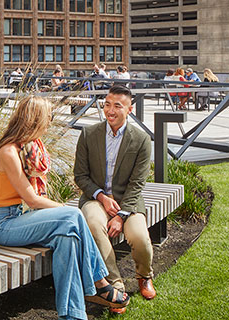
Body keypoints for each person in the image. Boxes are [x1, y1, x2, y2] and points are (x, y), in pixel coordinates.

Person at [0, 97, 129, 318]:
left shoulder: (27, 147)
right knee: (72, 215)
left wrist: (63, 213)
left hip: (19, 217)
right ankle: (101, 281)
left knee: (68, 239)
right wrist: (63, 209)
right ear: (35, 120)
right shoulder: (9, 152)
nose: (49, 123)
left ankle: (72, 315)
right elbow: (33, 200)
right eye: (47, 118)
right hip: (4, 224)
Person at [73, 85, 156, 301]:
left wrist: (121, 215)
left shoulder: (141, 140)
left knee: (140, 237)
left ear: (129, 109)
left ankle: (144, 276)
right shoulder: (89, 134)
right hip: (95, 198)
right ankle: (114, 284)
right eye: (107, 104)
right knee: (93, 224)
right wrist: (101, 197)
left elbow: (138, 183)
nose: (110, 110)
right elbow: (80, 176)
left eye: (117, 106)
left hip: (128, 202)